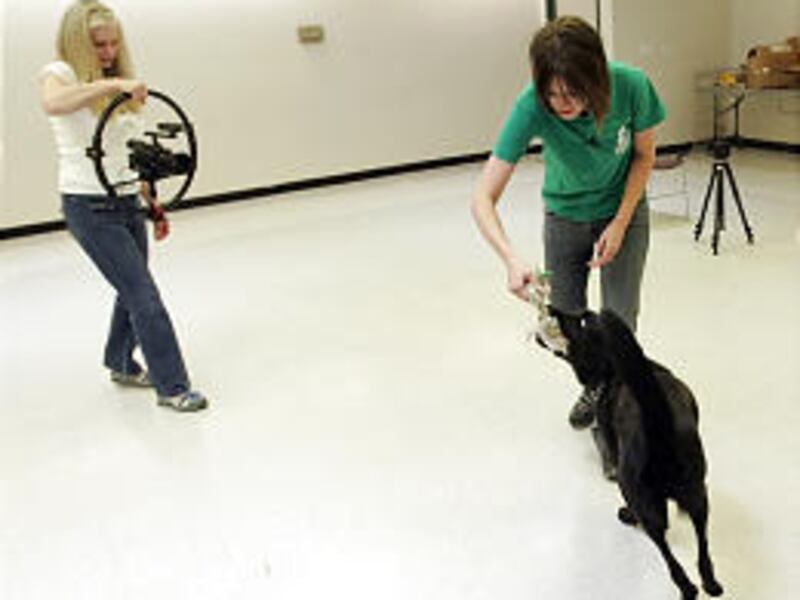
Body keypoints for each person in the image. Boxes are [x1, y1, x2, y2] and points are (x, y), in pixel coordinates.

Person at [471, 16, 665, 431]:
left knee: (619, 321)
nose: (564, 103)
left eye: (575, 92)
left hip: (624, 213)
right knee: (566, 321)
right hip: (564, 217)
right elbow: (482, 197)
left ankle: (616, 412)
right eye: (553, 93)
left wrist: (619, 223)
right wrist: (509, 258)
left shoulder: (632, 86)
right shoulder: (531, 104)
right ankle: (595, 384)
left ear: (596, 75)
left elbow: (644, 157)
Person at [40, 0, 207, 412]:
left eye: (114, 43)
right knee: (142, 294)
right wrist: (112, 86)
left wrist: (153, 201)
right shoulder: (59, 74)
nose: (109, 52)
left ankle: (120, 363)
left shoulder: (120, 82)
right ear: (79, 43)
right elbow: (54, 104)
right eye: (99, 45)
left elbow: (126, 150)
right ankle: (173, 386)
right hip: (88, 205)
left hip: (126, 198)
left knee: (130, 288)